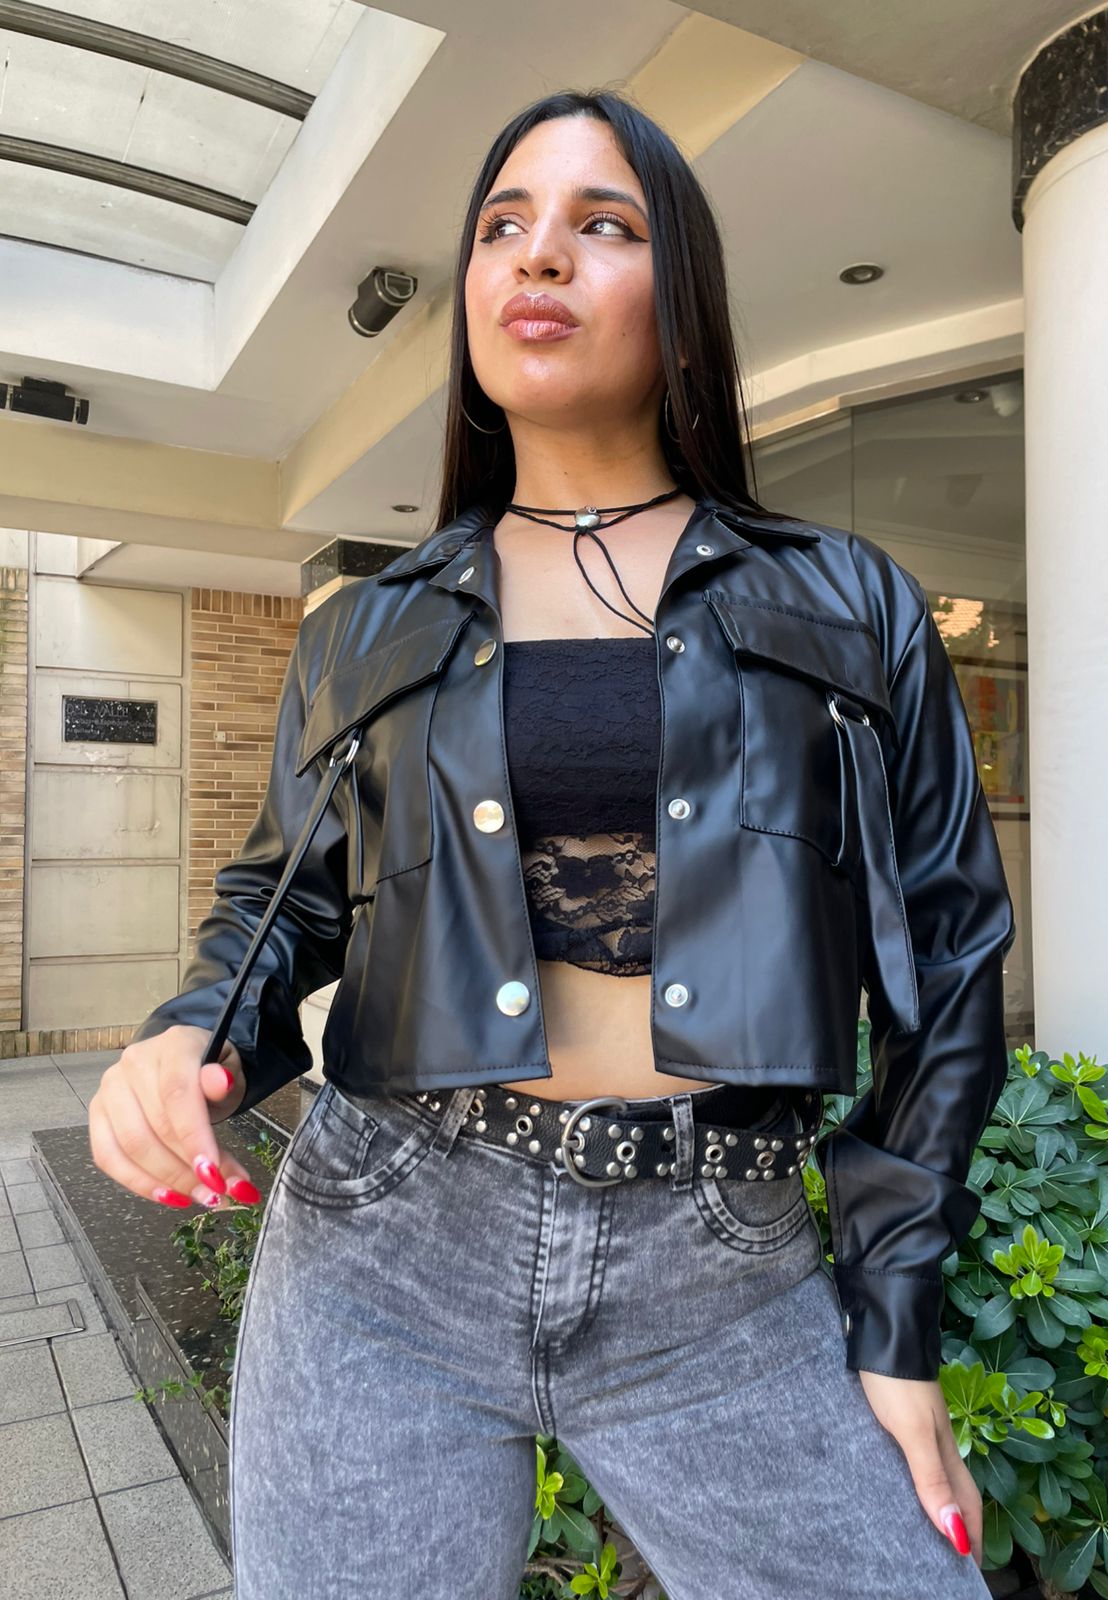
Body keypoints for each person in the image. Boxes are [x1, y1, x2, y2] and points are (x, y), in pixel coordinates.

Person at [91, 89, 1014, 1598]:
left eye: (605, 224)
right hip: (387, 1236)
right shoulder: (366, 627)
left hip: (721, 1263)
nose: (538, 255)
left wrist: (896, 1318)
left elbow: (956, 961)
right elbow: (283, 904)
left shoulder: (848, 599)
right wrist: (187, 1036)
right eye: (503, 226)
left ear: (683, 293)